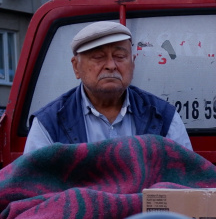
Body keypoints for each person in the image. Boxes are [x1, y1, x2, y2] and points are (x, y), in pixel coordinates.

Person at [24, 21, 191, 154]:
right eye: (98, 57)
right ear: (76, 67)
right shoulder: (49, 123)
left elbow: (185, 182)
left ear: (133, 64)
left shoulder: (163, 116)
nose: (111, 65)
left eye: (120, 56)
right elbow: (35, 187)